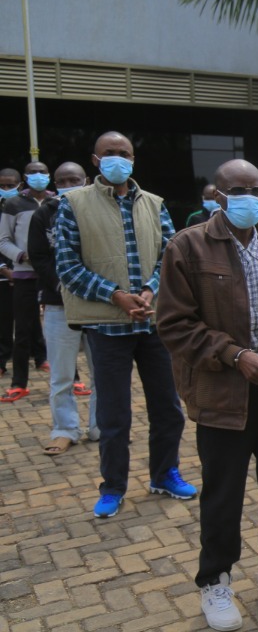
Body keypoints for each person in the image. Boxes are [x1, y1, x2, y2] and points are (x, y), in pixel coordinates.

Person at [157, 160, 258, 632]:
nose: (248, 197)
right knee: (223, 495)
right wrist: (233, 355)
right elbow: (173, 324)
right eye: (237, 189)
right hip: (221, 395)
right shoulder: (186, 248)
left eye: (255, 189)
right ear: (219, 194)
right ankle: (215, 580)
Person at [55, 131, 195, 518]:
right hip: (107, 327)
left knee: (168, 409)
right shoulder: (73, 204)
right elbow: (67, 266)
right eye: (110, 153)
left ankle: (164, 474)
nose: (118, 158)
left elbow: (170, 254)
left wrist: (150, 291)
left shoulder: (154, 204)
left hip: (152, 325)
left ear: (134, 159)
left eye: (125, 153)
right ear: (95, 161)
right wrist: (116, 295)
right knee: (113, 417)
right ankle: (113, 487)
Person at [28, 162, 97, 454]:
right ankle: (65, 429)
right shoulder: (45, 213)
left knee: (103, 372)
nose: (69, 183)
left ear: (87, 180)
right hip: (59, 305)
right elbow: (39, 257)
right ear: (54, 183)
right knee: (61, 375)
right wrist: (62, 286)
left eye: (75, 179)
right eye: (63, 179)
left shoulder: (97, 210)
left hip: (98, 306)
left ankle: (101, 427)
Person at [0, 160, 52, 402]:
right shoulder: (13, 204)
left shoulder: (58, 202)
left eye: (42, 172)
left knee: (64, 328)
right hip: (24, 274)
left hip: (53, 274)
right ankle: (19, 383)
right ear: (25, 177)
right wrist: (22, 256)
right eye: (33, 172)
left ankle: (72, 378)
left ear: (49, 175)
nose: (38, 176)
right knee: (22, 331)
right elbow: (3, 241)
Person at [0, 168, 18, 380]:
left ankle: (39, 356)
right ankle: (2, 360)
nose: (5, 190)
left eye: (10, 186)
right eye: (2, 186)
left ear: (19, 185)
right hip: (3, 275)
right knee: (3, 321)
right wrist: (5, 270)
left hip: (25, 272)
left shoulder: (24, 207)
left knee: (29, 321)